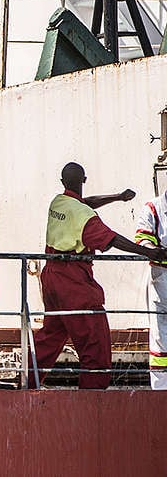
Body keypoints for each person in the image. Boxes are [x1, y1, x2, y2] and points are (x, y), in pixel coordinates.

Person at [27, 162, 166, 389]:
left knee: (51, 335)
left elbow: (86, 203)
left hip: (51, 276)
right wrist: (148, 252)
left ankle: (28, 382)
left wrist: (117, 197)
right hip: (74, 282)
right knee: (95, 341)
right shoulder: (84, 216)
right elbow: (111, 239)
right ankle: (93, 396)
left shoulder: (59, 202)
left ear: (63, 183)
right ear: (85, 180)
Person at [134, 191, 167, 389]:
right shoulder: (153, 209)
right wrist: (152, 249)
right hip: (161, 280)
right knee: (160, 338)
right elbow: (143, 238)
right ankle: (161, 391)